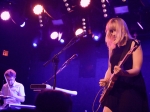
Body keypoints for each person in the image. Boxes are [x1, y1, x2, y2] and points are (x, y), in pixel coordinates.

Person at [99, 18, 149, 112]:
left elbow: (137, 69)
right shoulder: (112, 48)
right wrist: (106, 80)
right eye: (110, 31)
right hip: (115, 87)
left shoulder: (133, 44)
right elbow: (110, 68)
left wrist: (123, 72)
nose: (112, 34)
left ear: (121, 29)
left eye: (114, 30)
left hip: (130, 87)